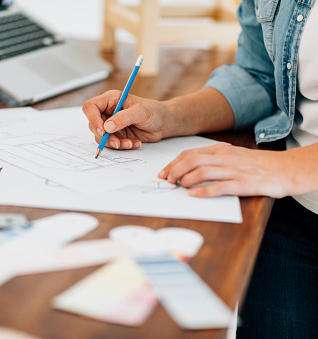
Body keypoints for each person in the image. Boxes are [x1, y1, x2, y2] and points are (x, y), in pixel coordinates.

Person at [83, 0, 318, 338]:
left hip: (286, 177)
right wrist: (170, 116)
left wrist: (284, 168)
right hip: (294, 209)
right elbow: (262, 76)